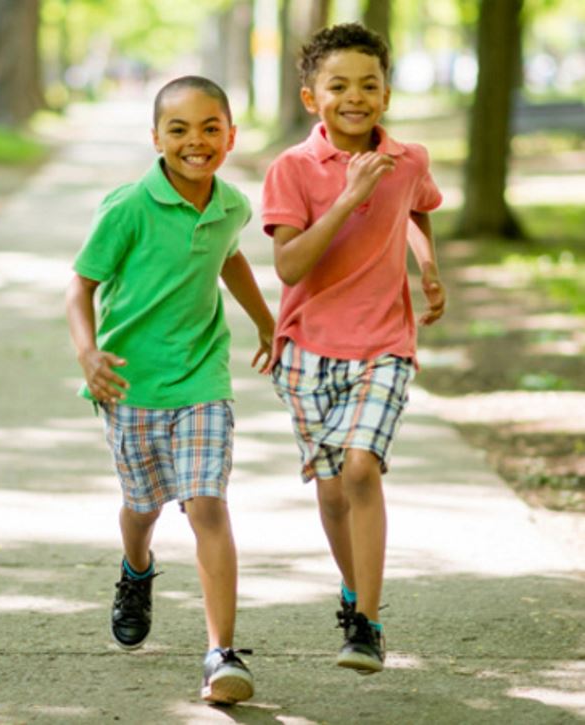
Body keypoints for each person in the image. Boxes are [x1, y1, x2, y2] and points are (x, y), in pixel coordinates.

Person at [65, 75, 275, 705]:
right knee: (144, 505)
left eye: (211, 127)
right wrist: (87, 353)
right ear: (155, 138)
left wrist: (267, 320)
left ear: (231, 136)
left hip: (202, 377)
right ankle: (136, 567)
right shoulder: (129, 206)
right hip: (130, 383)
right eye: (179, 129)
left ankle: (221, 654)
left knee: (206, 502)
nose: (196, 141)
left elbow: (228, 255)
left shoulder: (232, 204)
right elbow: (79, 286)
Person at [260, 23, 446, 674]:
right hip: (307, 347)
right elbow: (288, 266)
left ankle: (365, 623)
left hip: (383, 342)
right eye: (337, 85)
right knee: (334, 490)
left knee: (362, 467)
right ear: (312, 98)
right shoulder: (290, 168)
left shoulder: (408, 159)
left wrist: (425, 263)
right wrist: (348, 197)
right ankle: (349, 589)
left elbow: (417, 207)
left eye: (368, 84)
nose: (354, 96)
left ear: (386, 93)